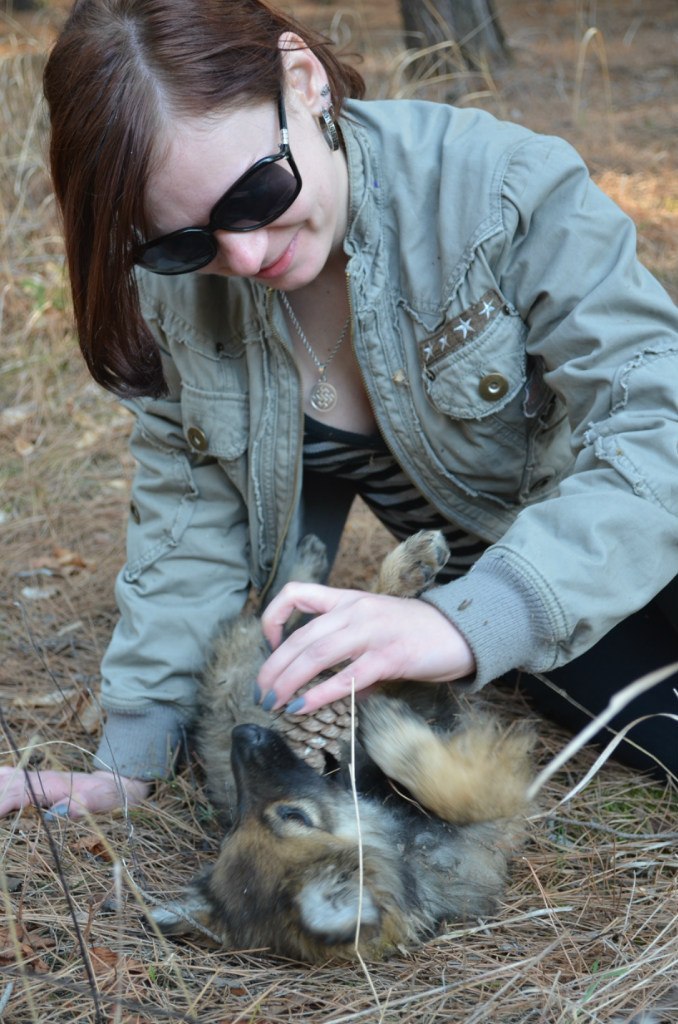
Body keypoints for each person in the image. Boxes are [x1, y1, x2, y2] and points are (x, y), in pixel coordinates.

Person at [1, 0, 677, 820]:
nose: (243, 256)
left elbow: (656, 418)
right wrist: (132, 757)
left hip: (605, 545)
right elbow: (188, 513)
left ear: (305, 80)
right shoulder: (184, 295)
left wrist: (469, 623)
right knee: (635, 711)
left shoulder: (503, 189)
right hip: (551, 627)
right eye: (182, 241)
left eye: (255, 191)